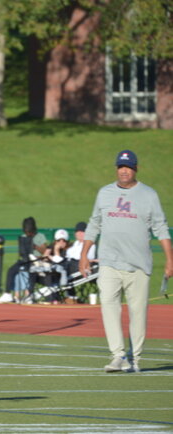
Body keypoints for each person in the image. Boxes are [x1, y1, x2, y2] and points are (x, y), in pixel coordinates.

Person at [79, 149, 173, 373]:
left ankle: (134, 358)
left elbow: (161, 228)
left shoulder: (149, 195)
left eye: (128, 167)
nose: (124, 171)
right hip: (109, 262)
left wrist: (170, 259)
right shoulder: (104, 193)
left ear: (136, 169)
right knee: (108, 306)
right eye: (121, 167)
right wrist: (84, 255)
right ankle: (118, 355)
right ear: (116, 169)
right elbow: (94, 224)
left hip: (138, 265)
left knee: (137, 313)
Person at [0, 217, 48, 303]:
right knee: (11, 270)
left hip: (36, 261)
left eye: (29, 232)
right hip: (24, 260)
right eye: (26, 232)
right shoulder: (23, 237)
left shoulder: (40, 236)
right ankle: (7, 293)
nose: (28, 234)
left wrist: (34, 246)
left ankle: (29, 295)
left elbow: (44, 250)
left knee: (32, 271)